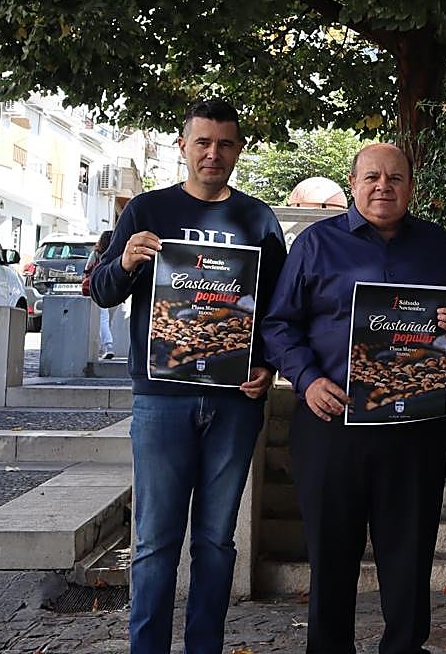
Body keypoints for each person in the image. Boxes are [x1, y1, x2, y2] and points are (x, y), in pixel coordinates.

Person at [89, 99, 287, 654]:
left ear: (238, 150)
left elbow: (278, 309)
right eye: (202, 142)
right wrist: (124, 261)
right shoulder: (146, 211)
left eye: (224, 144)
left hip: (234, 401)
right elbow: (102, 290)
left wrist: (267, 365)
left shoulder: (258, 220)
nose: (213, 153)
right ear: (183, 146)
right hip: (161, 398)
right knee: (154, 541)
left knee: (216, 542)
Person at [262, 142, 446, 654]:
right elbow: (277, 325)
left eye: (396, 178)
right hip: (332, 421)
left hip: (413, 427)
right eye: (373, 177)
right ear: (353, 184)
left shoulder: (435, 245)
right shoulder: (315, 244)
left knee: (410, 551)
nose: (384, 186)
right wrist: (308, 380)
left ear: (411, 187)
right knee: (332, 554)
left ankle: (404, 647)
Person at [84, 229, 116, 358]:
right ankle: (104, 347)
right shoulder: (117, 252)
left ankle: (107, 346)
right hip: (115, 289)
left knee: (102, 319)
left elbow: (87, 269)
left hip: (99, 288)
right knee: (107, 320)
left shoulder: (96, 253)